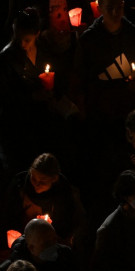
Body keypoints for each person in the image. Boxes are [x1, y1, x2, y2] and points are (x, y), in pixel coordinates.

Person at [0, 7, 59, 174]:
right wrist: (32, 96)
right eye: (18, 38)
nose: (21, 44)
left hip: (41, 125)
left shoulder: (44, 51)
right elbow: (5, 97)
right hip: (17, 129)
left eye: (27, 40)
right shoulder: (6, 59)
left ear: (37, 34)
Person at [72, 0, 135, 123]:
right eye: (110, 7)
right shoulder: (88, 40)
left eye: (119, 7)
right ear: (99, 8)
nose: (115, 12)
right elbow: (80, 76)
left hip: (130, 111)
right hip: (99, 112)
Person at [2, 153, 86, 247]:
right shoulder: (19, 187)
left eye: (42, 181)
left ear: (53, 179)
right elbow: (9, 215)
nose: (37, 184)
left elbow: (67, 224)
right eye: (33, 178)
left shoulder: (63, 193)